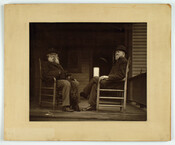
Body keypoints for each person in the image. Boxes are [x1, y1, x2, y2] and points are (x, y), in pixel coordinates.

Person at [80, 45, 128, 111]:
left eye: (118, 52)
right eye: (116, 52)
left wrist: (107, 77)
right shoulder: (118, 62)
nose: (116, 53)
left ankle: (85, 93)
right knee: (95, 85)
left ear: (123, 54)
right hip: (111, 82)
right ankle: (92, 106)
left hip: (115, 83)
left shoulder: (123, 61)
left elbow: (121, 75)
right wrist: (107, 77)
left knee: (95, 78)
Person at [42, 48, 80, 112]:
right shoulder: (46, 64)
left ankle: (74, 104)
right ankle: (65, 106)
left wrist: (70, 78)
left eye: (55, 55)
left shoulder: (58, 64)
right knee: (66, 83)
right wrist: (58, 72)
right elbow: (46, 74)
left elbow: (63, 73)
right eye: (52, 55)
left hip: (60, 81)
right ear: (48, 56)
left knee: (75, 83)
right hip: (52, 81)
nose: (54, 57)